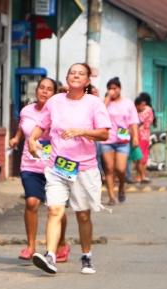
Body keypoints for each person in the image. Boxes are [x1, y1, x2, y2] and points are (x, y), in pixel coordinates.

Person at [27, 63, 111, 275]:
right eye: (72, 73)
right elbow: (42, 124)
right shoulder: (55, 101)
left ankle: (86, 255)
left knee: (82, 215)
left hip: (84, 167)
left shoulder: (94, 103)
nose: (76, 76)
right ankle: (50, 256)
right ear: (67, 78)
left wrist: (82, 131)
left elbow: (104, 134)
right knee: (54, 210)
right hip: (58, 167)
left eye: (81, 74)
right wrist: (32, 139)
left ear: (87, 81)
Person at [8, 77, 70, 263]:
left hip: (55, 166)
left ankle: (61, 243)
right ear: (36, 91)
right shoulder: (27, 110)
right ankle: (31, 246)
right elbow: (23, 129)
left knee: (56, 207)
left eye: (49, 89)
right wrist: (16, 139)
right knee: (32, 202)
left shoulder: (60, 112)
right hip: (30, 164)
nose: (44, 91)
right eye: (41, 88)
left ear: (55, 93)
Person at [101, 77, 139, 204]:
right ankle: (111, 196)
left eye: (115, 88)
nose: (113, 91)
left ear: (120, 89)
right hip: (107, 140)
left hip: (123, 140)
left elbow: (133, 122)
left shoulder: (128, 103)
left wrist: (135, 137)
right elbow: (100, 113)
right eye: (110, 88)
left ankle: (122, 186)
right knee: (109, 168)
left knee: (121, 169)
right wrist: (107, 98)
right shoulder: (104, 102)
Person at [134, 95, 154, 183]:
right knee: (142, 156)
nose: (143, 106)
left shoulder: (146, 110)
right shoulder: (149, 110)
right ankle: (141, 176)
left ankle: (141, 176)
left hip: (141, 135)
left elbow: (138, 120)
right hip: (144, 135)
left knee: (140, 156)